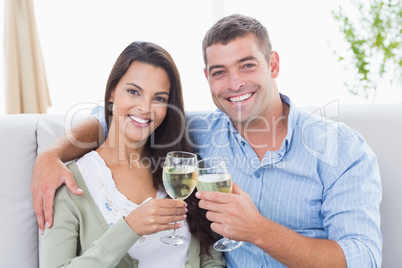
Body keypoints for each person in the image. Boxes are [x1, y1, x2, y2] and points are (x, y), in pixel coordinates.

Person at [32, 14, 382, 268]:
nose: (234, 84)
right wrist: (51, 154)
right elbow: (123, 117)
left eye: (247, 65)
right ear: (207, 78)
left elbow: (364, 260)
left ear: (273, 64)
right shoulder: (195, 133)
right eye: (219, 72)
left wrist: (258, 231)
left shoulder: (341, 149)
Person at [40, 41, 225, 267]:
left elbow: (210, 257)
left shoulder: (179, 170)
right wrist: (129, 228)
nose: (145, 108)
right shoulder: (71, 184)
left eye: (159, 98)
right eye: (133, 92)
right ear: (111, 94)